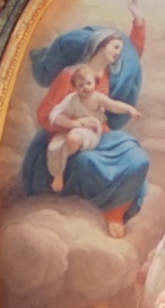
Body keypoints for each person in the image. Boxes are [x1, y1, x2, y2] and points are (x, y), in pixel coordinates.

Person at [24, 13, 152, 227]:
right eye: (115, 48)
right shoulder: (70, 76)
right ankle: (109, 214)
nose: (119, 53)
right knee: (88, 163)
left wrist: (139, 22)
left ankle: (116, 210)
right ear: (100, 46)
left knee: (138, 159)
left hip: (100, 134)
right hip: (69, 137)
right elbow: (45, 112)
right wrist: (72, 123)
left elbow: (133, 52)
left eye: (120, 49)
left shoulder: (108, 77)